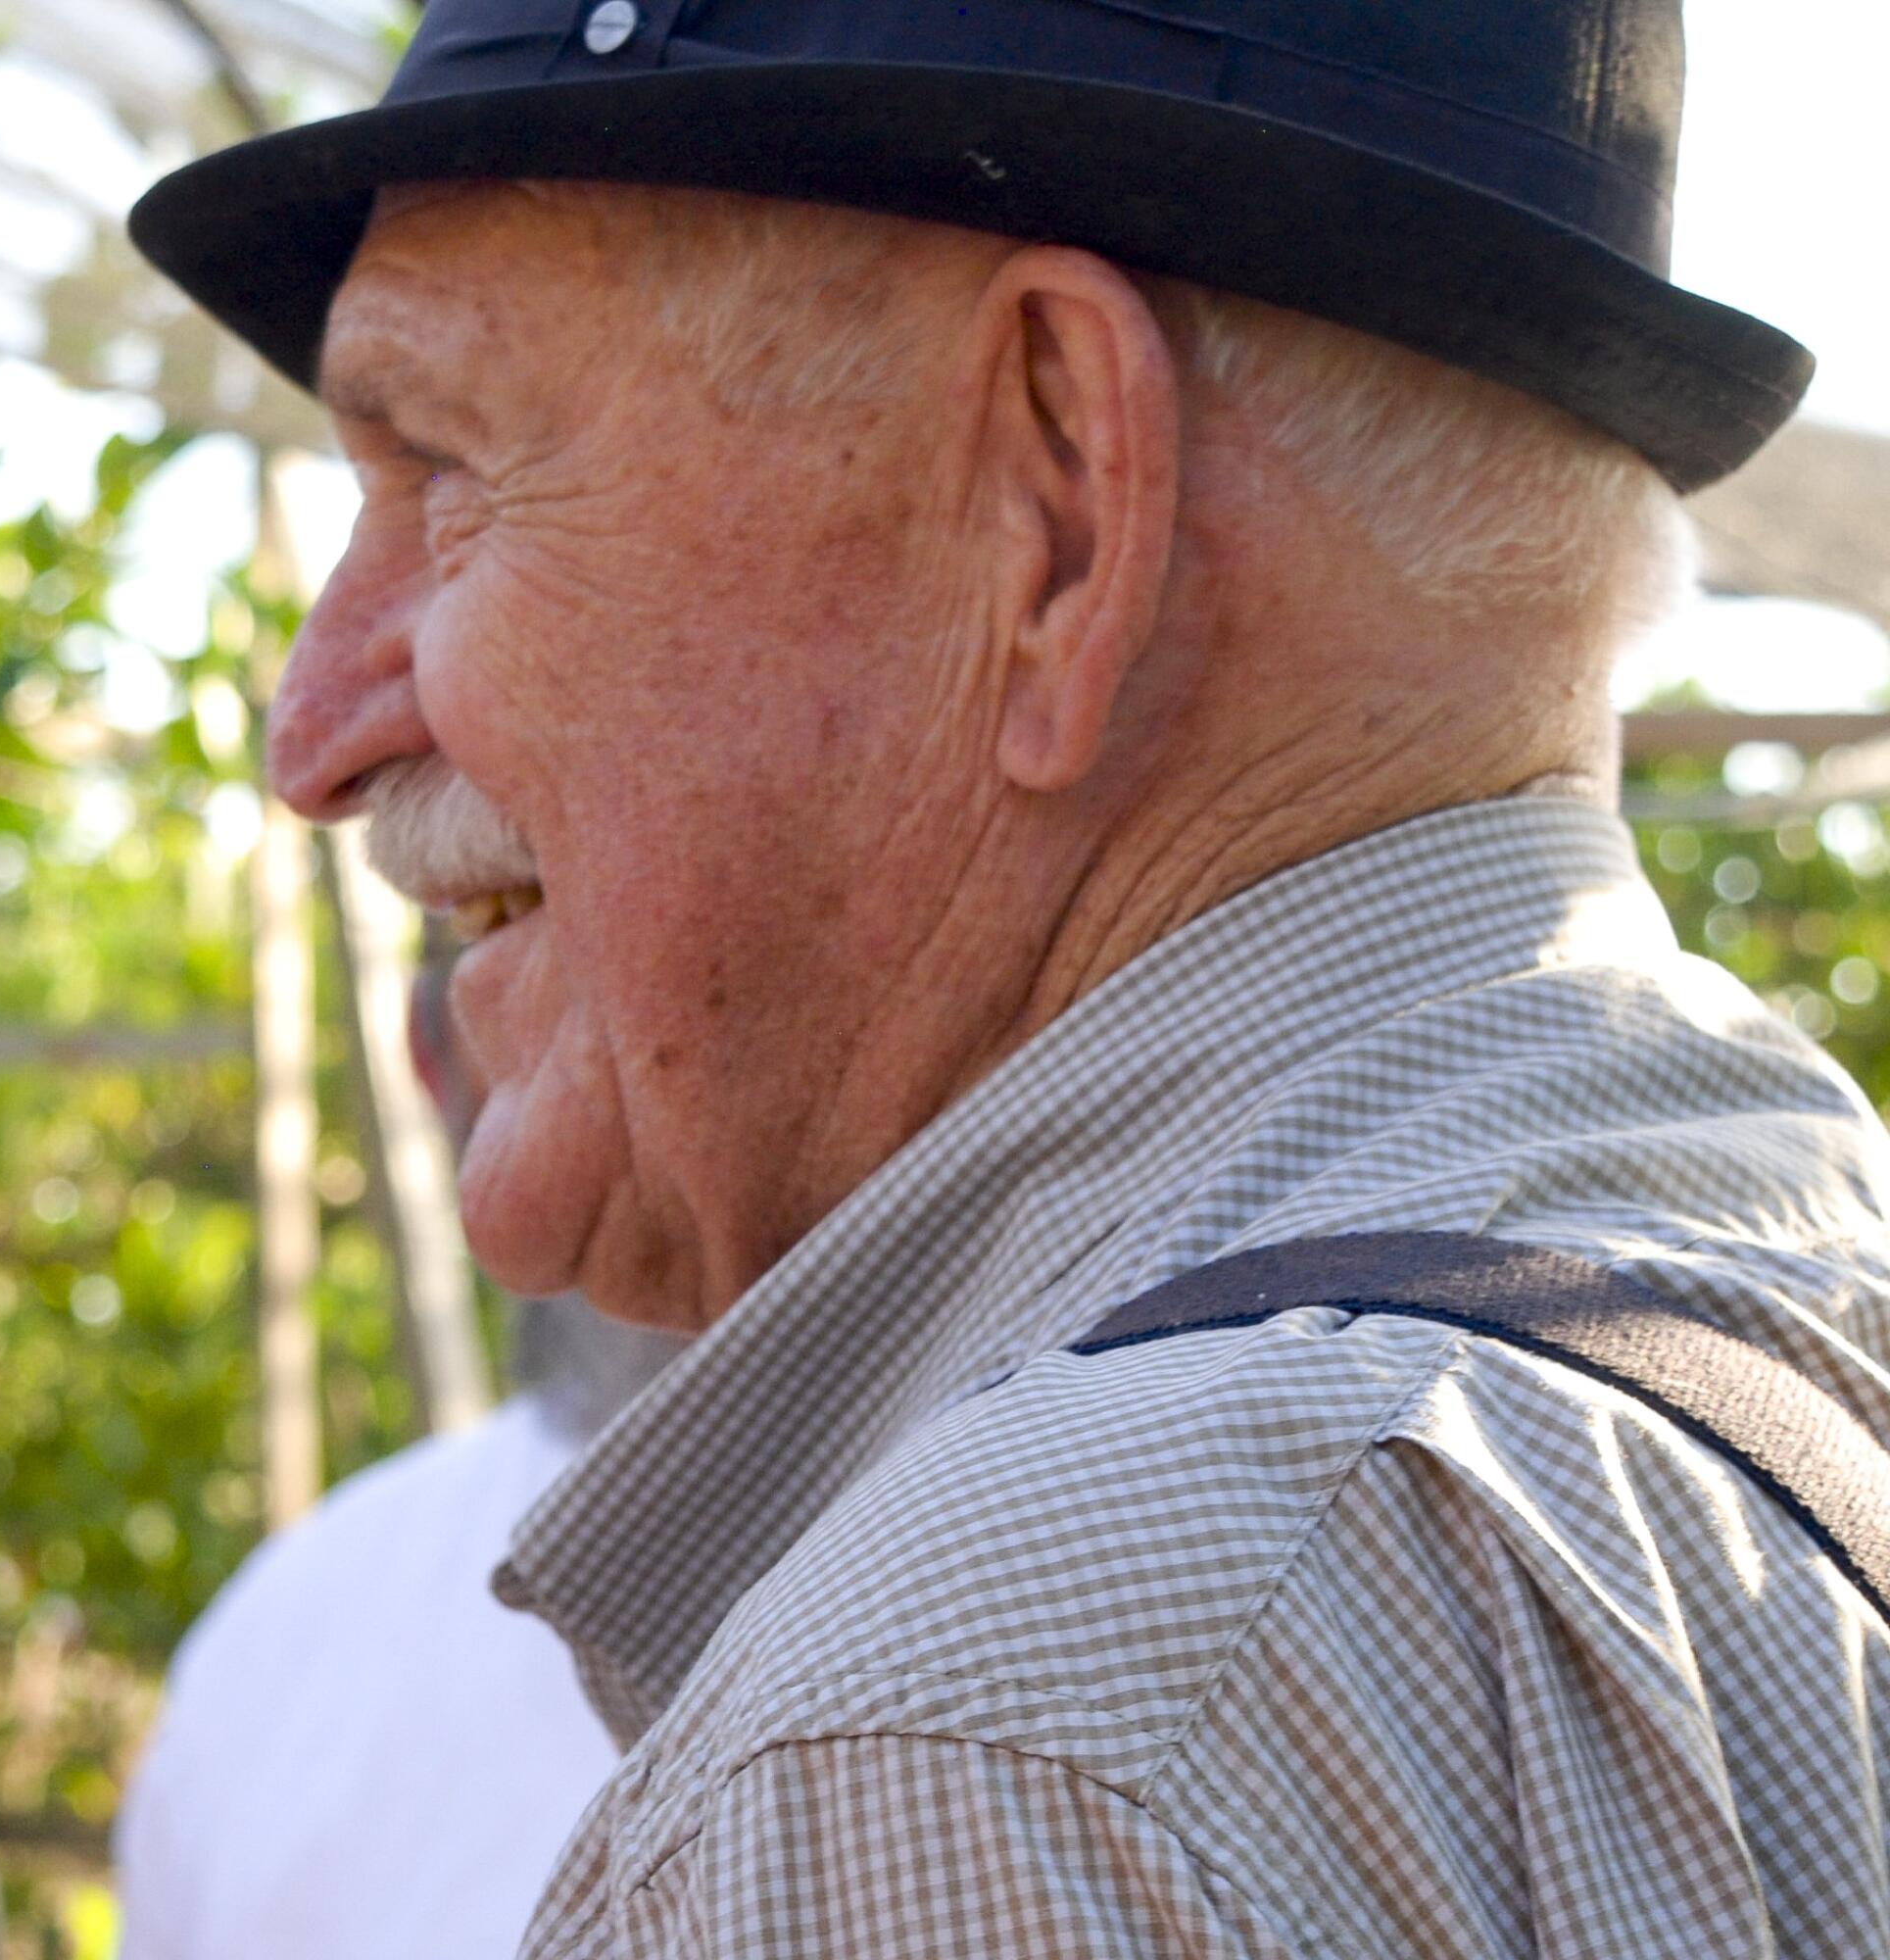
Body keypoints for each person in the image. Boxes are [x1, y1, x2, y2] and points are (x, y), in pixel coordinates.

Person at [127, 4, 1890, 1954]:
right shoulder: (1785, 1318)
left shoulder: (986, 1739)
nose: (318, 730)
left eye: (445, 467)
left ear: (1052, 498)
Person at [114, 965, 682, 1957]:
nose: (600, 967)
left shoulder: (1012, 1550)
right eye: (503, 909)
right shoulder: (279, 1641)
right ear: (433, 1056)